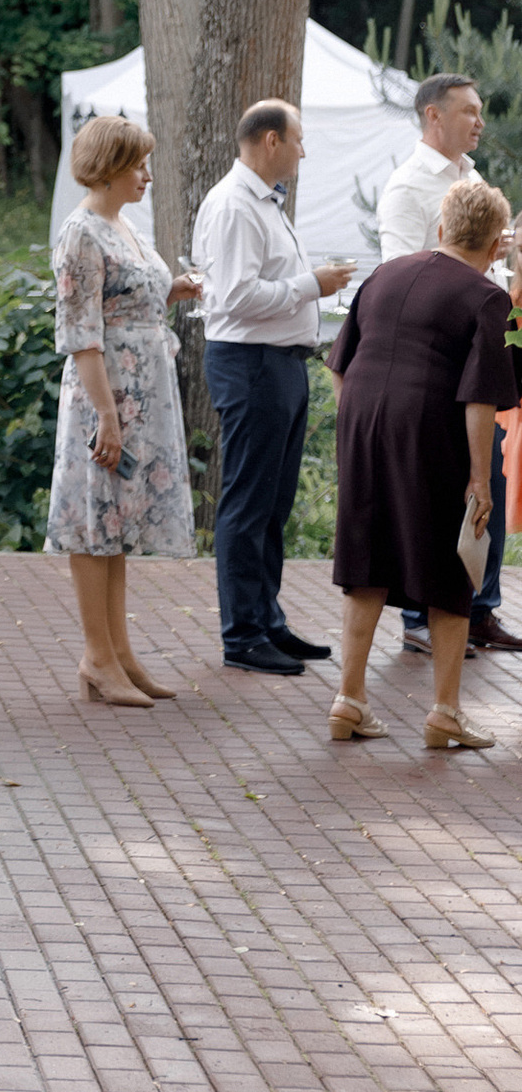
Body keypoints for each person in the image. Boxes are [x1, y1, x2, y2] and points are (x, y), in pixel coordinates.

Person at [326, 174, 522, 752]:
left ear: (440, 228)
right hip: (429, 428)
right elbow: (480, 395)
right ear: (494, 248)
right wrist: (480, 480)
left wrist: (361, 425)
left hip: (362, 422)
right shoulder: (487, 297)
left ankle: (349, 699)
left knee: (366, 558)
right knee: (453, 565)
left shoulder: (384, 274)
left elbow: (339, 363)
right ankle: (444, 713)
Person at [191, 100, 356, 675]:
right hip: (252, 363)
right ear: (269, 141)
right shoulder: (236, 205)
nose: (303, 151)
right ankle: (242, 636)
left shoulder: (261, 202)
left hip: (277, 362)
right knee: (248, 500)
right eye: (298, 140)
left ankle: (267, 619)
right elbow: (234, 297)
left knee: (273, 502)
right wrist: (312, 284)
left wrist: (305, 288)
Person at [44, 111, 202, 705]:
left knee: (116, 522)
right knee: (93, 522)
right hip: (105, 395)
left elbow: (126, 292)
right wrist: (106, 414)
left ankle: (118, 652)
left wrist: (174, 287)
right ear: (108, 168)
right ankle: (96, 656)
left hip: (142, 392)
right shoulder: (81, 231)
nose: (147, 174)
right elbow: (81, 331)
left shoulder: (122, 226)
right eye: (138, 164)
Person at [374, 76, 520, 656]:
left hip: (483, 341)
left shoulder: (472, 178)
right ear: (433, 115)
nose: (480, 122)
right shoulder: (407, 188)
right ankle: (419, 614)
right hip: (435, 354)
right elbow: (397, 272)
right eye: (469, 112)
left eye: (481, 112)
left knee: (490, 481)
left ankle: (479, 607)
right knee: (436, 487)